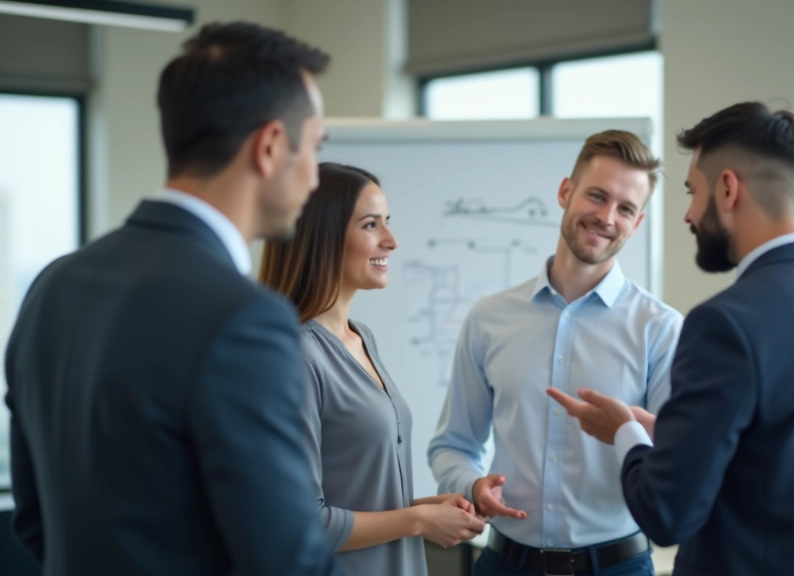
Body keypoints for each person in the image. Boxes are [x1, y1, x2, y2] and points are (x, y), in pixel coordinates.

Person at [3, 22, 341, 576]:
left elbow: (36, 522)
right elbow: (287, 563)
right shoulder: (244, 318)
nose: (312, 179)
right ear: (271, 146)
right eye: (315, 149)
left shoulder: (53, 285)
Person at [548, 102, 794, 576]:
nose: (687, 214)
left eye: (693, 192)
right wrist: (671, 435)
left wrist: (624, 431)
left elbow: (667, 515)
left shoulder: (725, 324)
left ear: (727, 188)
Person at [428, 130, 683, 576]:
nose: (606, 217)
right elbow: (452, 445)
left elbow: (678, 459)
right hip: (503, 564)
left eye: (625, 208)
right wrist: (473, 484)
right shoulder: (489, 319)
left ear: (637, 223)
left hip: (616, 568)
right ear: (566, 192)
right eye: (597, 196)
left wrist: (627, 430)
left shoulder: (660, 329)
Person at [259, 162, 486, 576]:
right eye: (370, 225)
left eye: (387, 223)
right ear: (322, 237)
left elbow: (353, 497)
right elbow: (302, 521)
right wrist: (417, 521)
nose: (391, 240)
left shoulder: (361, 337)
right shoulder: (294, 355)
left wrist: (424, 509)